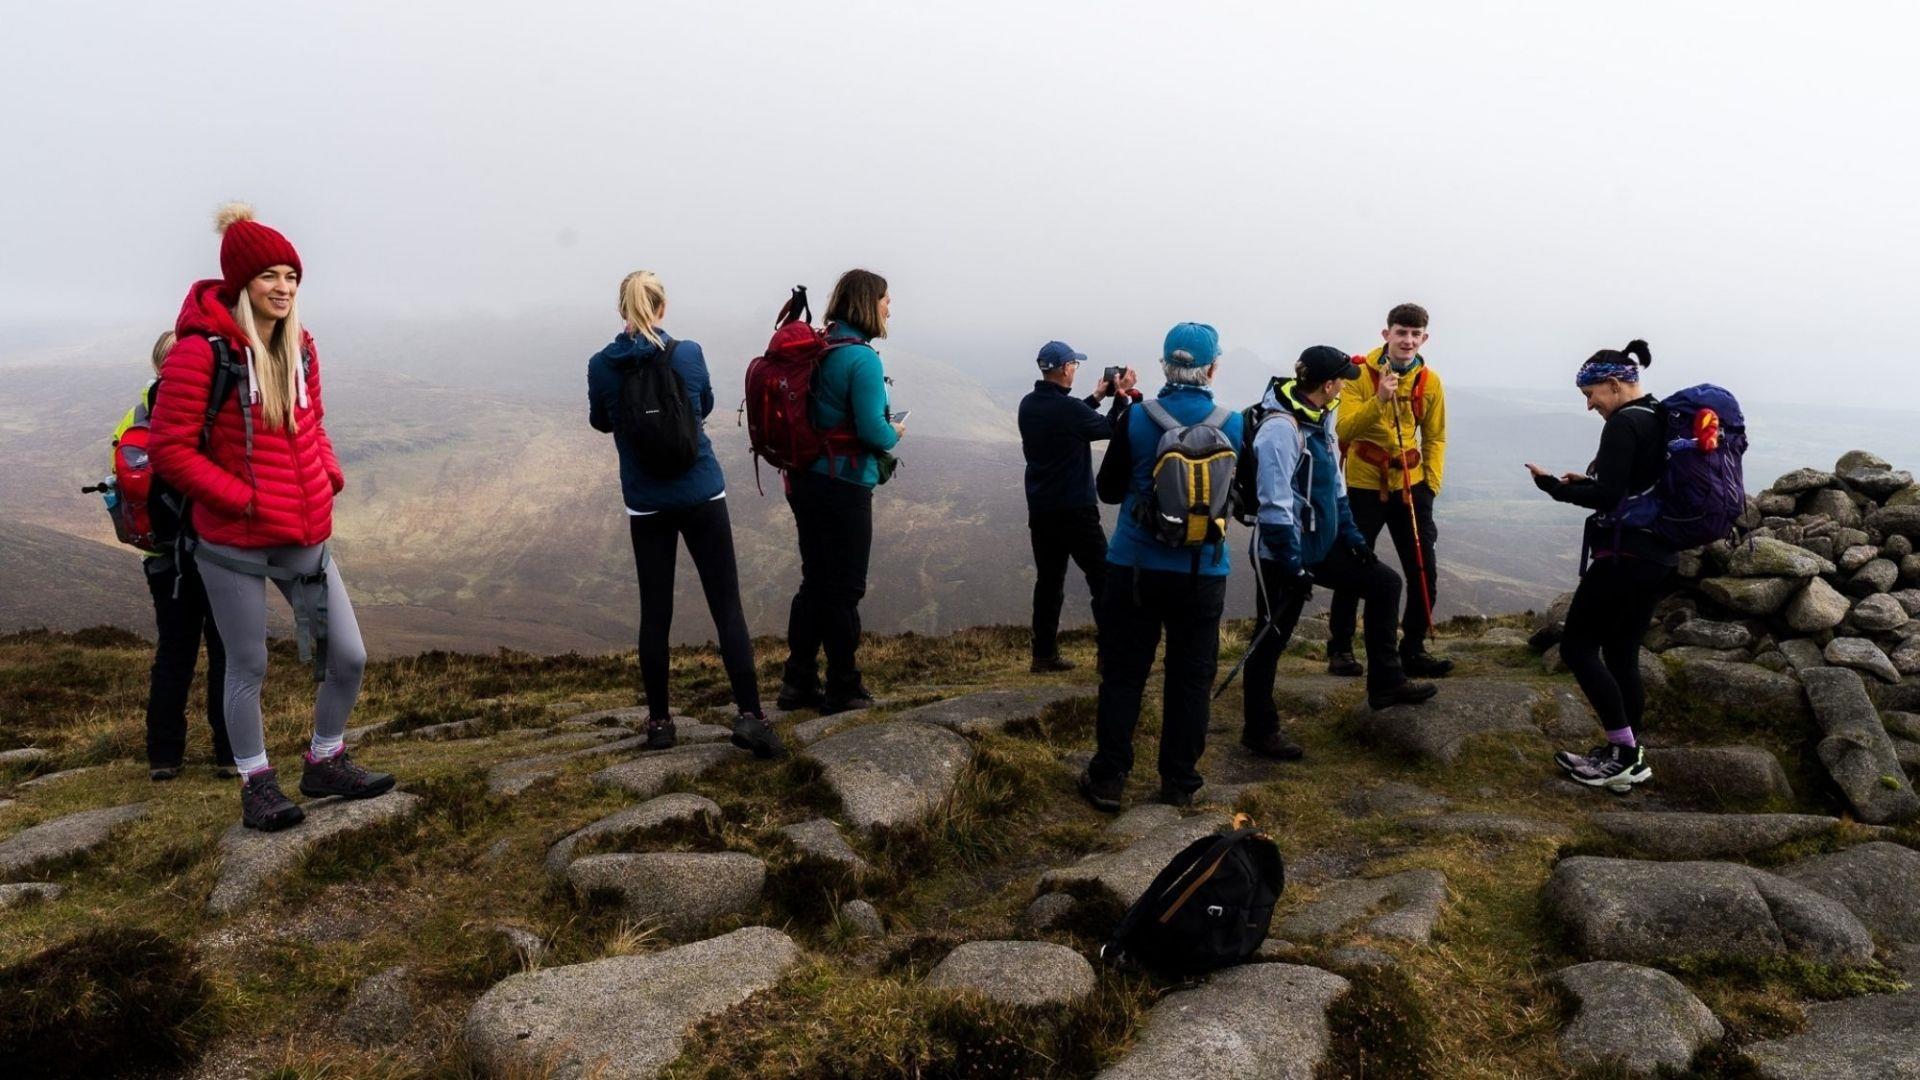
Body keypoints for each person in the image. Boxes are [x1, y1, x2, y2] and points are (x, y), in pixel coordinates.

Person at [150, 203, 389, 832]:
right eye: (269, 277)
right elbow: (169, 449)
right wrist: (241, 498)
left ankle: (326, 759)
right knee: (247, 665)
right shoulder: (200, 354)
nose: (283, 289)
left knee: (350, 656)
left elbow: (313, 427)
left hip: (304, 532)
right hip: (233, 541)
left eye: (291, 277)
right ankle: (256, 783)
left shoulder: (302, 347)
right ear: (240, 284)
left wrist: (326, 476)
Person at [588, 271, 782, 757]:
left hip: (646, 502)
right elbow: (706, 405)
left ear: (621, 311)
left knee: (656, 614)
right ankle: (751, 717)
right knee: (727, 607)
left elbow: (600, 420)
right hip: (701, 494)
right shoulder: (689, 353)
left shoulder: (601, 366)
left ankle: (658, 723)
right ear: (662, 308)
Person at [1240, 348, 1438, 760]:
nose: (1345, 385)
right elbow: (1275, 504)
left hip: (1323, 542)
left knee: (1385, 583)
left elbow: (1335, 488)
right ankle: (1259, 730)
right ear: (1328, 384)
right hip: (1283, 552)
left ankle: (1385, 682)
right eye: (1342, 380)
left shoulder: (1322, 416)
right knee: (1271, 638)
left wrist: (1352, 537)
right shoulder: (1280, 427)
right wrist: (1293, 565)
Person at [1077, 323, 1242, 813]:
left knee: (1125, 674)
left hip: (1134, 565)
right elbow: (1245, 496)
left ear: (1165, 365)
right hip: (1204, 570)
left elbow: (1108, 491)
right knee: (1191, 677)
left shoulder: (1137, 419)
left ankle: (1108, 779)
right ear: (1212, 368)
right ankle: (1179, 783)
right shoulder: (1233, 423)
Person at [1527, 339, 1667, 791]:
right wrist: (1591, 481)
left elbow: (1608, 498)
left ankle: (1622, 755)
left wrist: (1553, 486)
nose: (1590, 405)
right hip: (1658, 554)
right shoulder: (1659, 417)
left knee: (1578, 648)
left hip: (1624, 554)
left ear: (1613, 383)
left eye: (1591, 395)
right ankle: (1629, 753)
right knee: (1622, 652)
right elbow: (1633, 487)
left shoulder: (1624, 424)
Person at [776, 269, 903, 715]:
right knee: (844, 588)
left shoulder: (821, 344)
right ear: (869, 303)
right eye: (886, 299)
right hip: (844, 485)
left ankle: (798, 682)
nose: (890, 307)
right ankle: (843, 687)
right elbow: (874, 432)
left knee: (815, 581)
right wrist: (896, 431)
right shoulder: (863, 359)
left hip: (805, 479)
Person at [129, 330, 236, 781]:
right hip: (213, 552)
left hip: (162, 557)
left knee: (174, 652)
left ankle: (164, 756)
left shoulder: (135, 416)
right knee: (226, 651)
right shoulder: (206, 414)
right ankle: (231, 754)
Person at [1328, 303, 1453, 679]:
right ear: (1387, 334)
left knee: (1422, 568)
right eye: (1401, 332)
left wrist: (1430, 484)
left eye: (1415, 335)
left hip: (1411, 487)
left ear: (1424, 338)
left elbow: (1435, 436)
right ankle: (1341, 649)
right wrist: (1379, 399)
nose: (1408, 340)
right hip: (1364, 484)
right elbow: (1345, 430)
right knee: (1355, 566)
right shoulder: (1358, 374)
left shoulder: (1429, 381)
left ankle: (1412, 648)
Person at [1017, 341, 1137, 673]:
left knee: (1049, 582)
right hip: (1075, 510)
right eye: (1074, 365)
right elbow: (1109, 428)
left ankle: (1043, 655)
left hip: (1041, 509)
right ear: (1065, 368)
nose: (1075, 370)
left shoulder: (1029, 405)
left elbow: (1070, 418)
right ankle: (1110, 653)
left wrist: (1098, 397)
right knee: (1103, 578)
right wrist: (1121, 397)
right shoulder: (1067, 410)